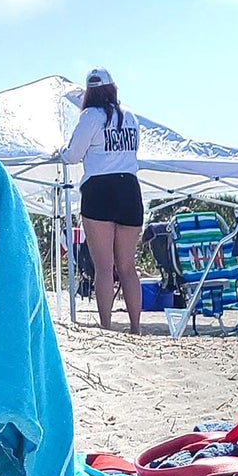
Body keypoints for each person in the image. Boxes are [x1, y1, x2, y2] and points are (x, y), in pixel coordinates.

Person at [61, 68, 144, 332]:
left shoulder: (90, 116)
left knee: (104, 266)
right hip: (130, 188)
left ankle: (107, 326)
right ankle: (135, 326)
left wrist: (61, 151)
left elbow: (73, 155)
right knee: (128, 266)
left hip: (100, 188)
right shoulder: (130, 115)